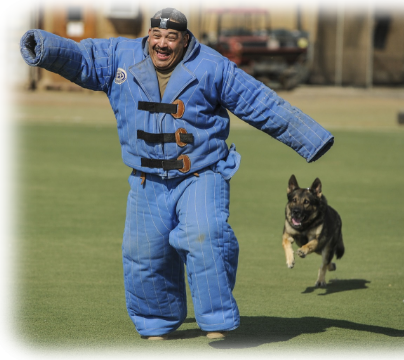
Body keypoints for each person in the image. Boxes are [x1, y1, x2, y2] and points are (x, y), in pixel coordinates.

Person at [20, 8, 334, 340]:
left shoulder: (212, 67)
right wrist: (42, 45)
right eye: (157, 36)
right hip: (146, 179)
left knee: (206, 235)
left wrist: (311, 139)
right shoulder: (119, 57)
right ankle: (157, 320)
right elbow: (81, 57)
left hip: (201, 174)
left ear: (185, 40)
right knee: (144, 252)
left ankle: (216, 321)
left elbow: (260, 102)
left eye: (171, 37)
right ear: (149, 36)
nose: (163, 44)